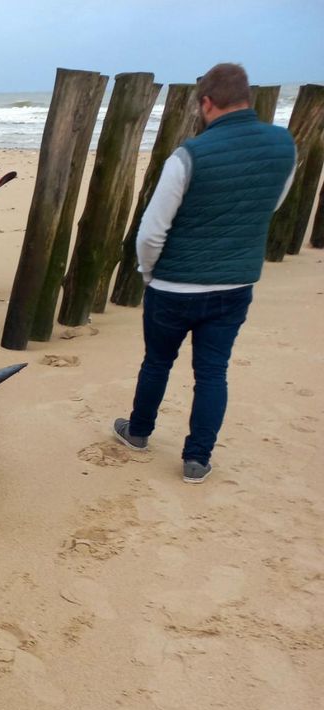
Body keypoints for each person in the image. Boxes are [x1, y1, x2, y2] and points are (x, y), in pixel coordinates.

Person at [113, 63, 296, 483]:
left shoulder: (189, 155)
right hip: (234, 285)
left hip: (173, 286)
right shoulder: (283, 145)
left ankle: (138, 432)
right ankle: (197, 460)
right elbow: (271, 204)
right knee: (212, 372)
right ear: (247, 98)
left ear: (207, 102)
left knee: (157, 362)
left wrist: (148, 273)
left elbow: (151, 231)